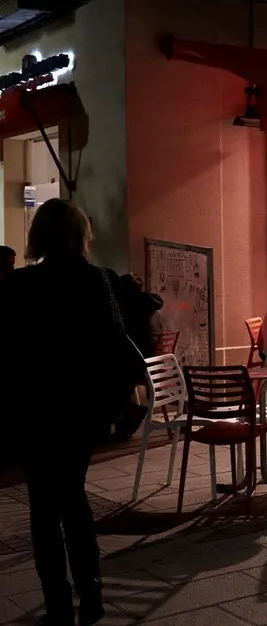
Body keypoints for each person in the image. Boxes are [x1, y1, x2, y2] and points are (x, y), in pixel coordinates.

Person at [0, 200, 111, 625]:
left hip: (34, 411)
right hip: (82, 411)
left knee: (43, 511)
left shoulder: (17, 285)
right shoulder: (97, 281)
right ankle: (92, 590)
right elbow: (113, 346)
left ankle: (59, 603)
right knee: (74, 497)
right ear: (80, 234)